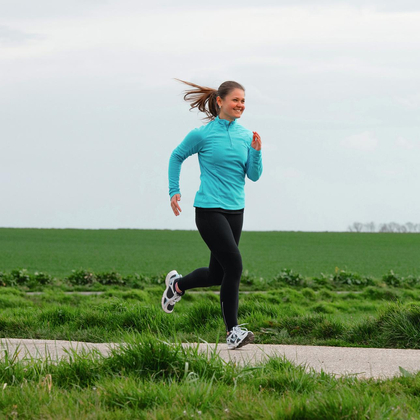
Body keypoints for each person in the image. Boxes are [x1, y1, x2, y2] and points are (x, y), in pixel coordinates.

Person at [161, 79, 263, 350]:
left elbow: (253, 176)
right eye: (235, 100)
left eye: (243, 101)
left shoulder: (245, 135)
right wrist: (174, 190)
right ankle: (232, 332)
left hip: (235, 211)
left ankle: (178, 286)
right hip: (209, 210)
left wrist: (256, 153)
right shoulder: (203, 134)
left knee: (219, 274)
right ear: (220, 101)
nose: (240, 105)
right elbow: (176, 156)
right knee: (235, 265)